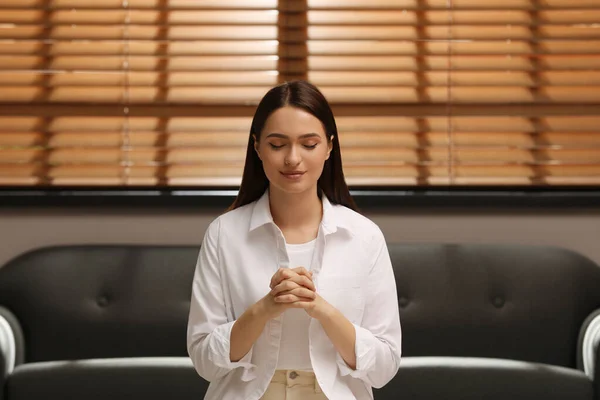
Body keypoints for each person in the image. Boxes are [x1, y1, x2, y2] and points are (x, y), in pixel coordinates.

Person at [187, 80, 402, 400]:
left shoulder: (364, 237)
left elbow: (384, 367)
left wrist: (321, 309)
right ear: (257, 147)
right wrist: (265, 308)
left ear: (329, 147)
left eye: (309, 144)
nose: (292, 158)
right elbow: (205, 360)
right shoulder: (224, 234)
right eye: (277, 145)